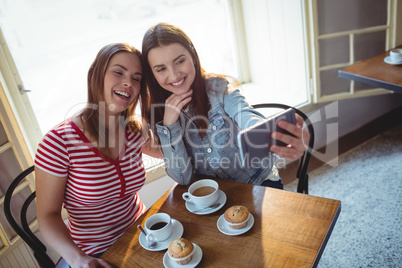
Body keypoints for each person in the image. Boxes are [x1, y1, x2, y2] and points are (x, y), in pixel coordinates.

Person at [34, 43, 162, 268]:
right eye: (118, 72)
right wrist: (79, 260)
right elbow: (48, 216)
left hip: (142, 234)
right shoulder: (58, 142)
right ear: (96, 75)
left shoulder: (134, 129)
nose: (128, 83)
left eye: (136, 78)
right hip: (91, 253)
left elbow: (171, 154)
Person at [141, 22, 309, 189]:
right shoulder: (157, 114)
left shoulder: (219, 88)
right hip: (211, 196)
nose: (174, 74)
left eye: (179, 61)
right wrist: (170, 125)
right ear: (152, 73)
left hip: (257, 183)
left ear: (192, 55)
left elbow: (245, 115)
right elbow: (182, 178)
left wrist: (275, 132)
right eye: (161, 69)